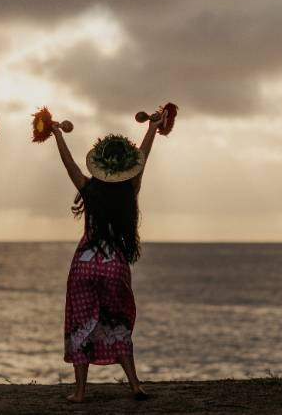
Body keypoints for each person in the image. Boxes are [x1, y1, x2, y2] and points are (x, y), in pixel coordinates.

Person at [49, 116, 162, 403]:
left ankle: (80, 392)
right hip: (114, 265)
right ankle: (135, 386)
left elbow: (69, 164)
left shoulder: (89, 190)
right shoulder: (130, 190)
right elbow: (144, 156)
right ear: (126, 167)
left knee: (81, 324)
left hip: (85, 262)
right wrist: (152, 129)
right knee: (118, 323)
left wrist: (57, 134)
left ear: (100, 165)